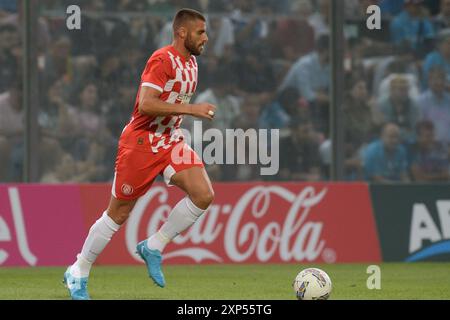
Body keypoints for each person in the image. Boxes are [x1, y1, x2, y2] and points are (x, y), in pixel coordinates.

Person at [63, 8, 216, 300]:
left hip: (169, 141)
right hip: (141, 143)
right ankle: (78, 270)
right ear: (182, 33)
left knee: (203, 194)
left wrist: (183, 118)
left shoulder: (193, 64)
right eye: (200, 32)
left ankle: (154, 246)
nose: (205, 38)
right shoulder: (162, 59)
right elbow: (145, 104)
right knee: (118, 213)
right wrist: (192, 109)